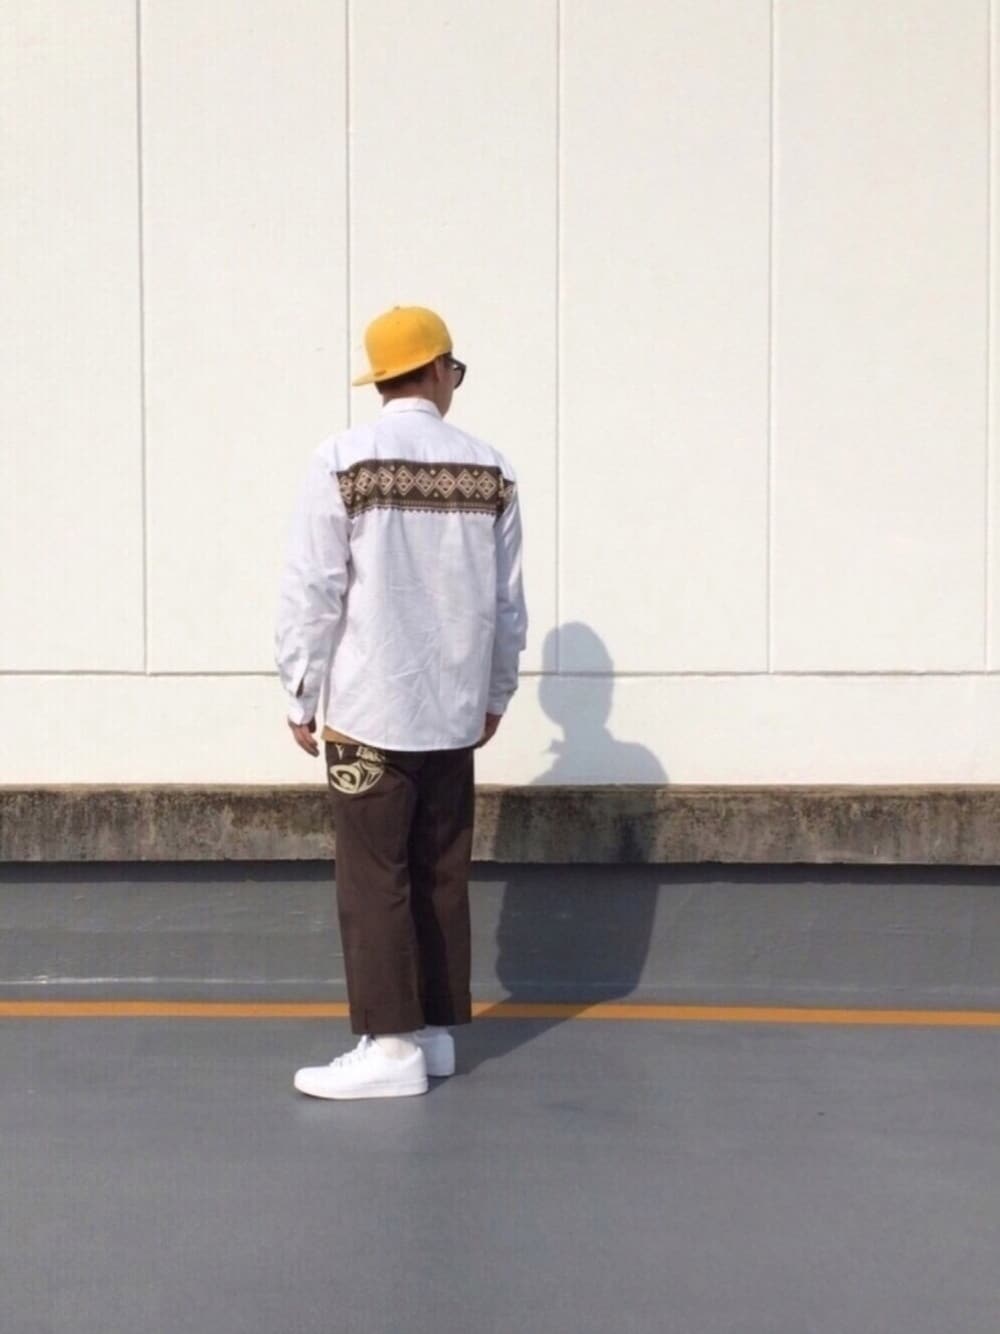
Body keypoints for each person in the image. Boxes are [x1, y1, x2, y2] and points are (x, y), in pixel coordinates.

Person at [274, 306, 527, 1100]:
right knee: (439, 871)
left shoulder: (342, 461)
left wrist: (300, 688)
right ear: (439, 368)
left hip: (369, 710)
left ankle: (389, 1047)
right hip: (453, 710)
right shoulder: (490, 471)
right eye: (455, 371)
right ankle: (432, 1033)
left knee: (374, 876)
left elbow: (314, 588)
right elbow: (507, 604)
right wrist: (495, 692)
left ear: (383, 379)